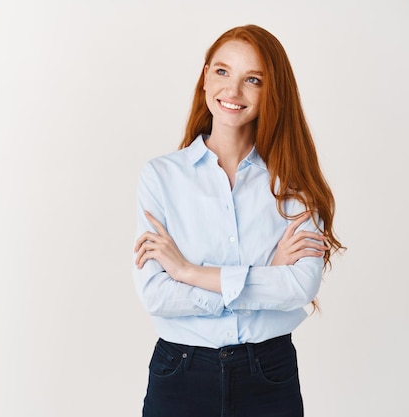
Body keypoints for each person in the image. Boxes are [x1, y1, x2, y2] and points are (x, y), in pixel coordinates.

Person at [132, 24, 343, 417]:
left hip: (268, 375)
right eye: (222, 72)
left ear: (272, 91)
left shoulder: (294, 182)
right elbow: (156, 295)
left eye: (253, 79)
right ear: (206, 75)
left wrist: (188, 271)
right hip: (180, 373)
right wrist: (262, 276)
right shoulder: (161, 177)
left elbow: (299, 285)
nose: (232, 91)